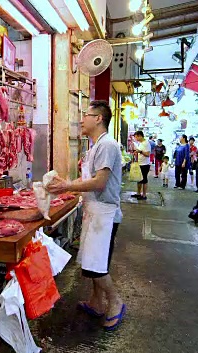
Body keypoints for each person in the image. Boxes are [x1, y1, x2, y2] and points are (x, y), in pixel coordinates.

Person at [47, 100, 126, 331]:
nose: (82, 119)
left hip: (105, 214)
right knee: (94, 262)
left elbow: (100, 183)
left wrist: (68, 186)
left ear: (98, 118)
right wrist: (67, 186)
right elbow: (90, 180)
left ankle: (115, 302)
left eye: (86, 115)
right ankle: (96, 302)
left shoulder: (108, 145)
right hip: (94, 213)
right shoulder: (95, 147)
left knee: (96, 267)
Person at [132, 131, 151, 200]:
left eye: (136, 137)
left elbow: (148, 154)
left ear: (140, 136)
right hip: (140, 164)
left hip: (145, 164)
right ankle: (138, 193)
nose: (135, 138)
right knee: (139, 179)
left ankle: (144, 195)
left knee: (144, 180)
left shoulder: (146, 143)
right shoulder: (141, 143)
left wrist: (140, 152)